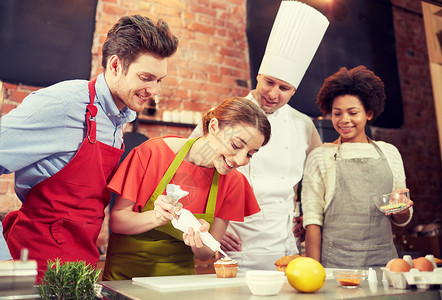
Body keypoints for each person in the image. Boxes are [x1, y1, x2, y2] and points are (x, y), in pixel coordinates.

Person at [0, 15, 178, 280]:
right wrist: (2, 259)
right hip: (35, 267)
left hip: (79, 268)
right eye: (146, 78)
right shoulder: (63, 104)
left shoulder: (119, 119)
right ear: (116, 65)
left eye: (159, 80)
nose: (153, 90)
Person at [189, 1, 328, 272]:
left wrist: (306, 216)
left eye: (284, 87)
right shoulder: (224, 116)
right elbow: (189, 170)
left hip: (283, 245)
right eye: (269, 82)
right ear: (258, 75)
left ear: (294, 91)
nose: (273, 93)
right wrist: (202, 223)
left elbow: (317, 178)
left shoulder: (303, 125)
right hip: (234, 241)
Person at [102, 97, 271, 280]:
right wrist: (156, 217)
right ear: (214, 127)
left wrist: (199, 239)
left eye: (250, 155)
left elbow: (205, 253)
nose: (239, 160)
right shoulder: (153, 152)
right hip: (126, 276)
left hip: (178, 280)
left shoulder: (234, 183)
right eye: (236, 145)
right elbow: (117, 222)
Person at [301, 65, 414, 268]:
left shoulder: (390, 153)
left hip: (384, 262)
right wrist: (314, 272)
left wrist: (402, 208)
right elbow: (312, 222)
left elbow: (401, 218)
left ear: (369, 113)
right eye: (337, 114)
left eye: (353, 112)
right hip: (336, 264)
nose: (344, 120)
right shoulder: (320, 156)